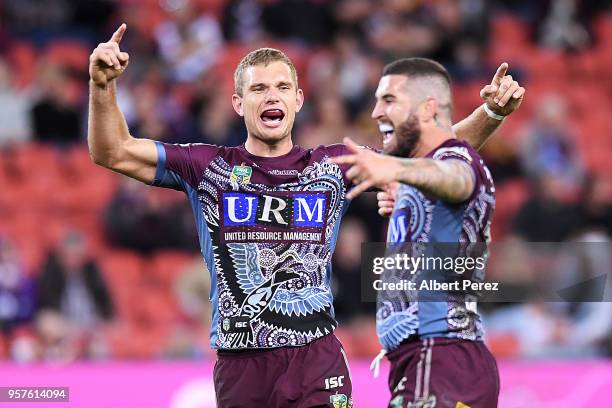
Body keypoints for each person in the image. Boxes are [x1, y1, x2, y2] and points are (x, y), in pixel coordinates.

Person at [88, 24, 520, 407]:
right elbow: (113, 151)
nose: (270, 96)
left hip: (316, 357)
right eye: (258, 89)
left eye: (280, 87)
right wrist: (102, 87)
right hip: (241, 366)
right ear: (238, 103)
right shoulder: (208, 167)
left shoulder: (331, 165)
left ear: (297, 100)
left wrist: (492, 112)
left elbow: (430, 157)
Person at [331, 58, 524, 407]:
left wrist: (398, 169)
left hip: (439, 357)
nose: (376, 112)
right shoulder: (430, 167)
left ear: (427, 108)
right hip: (437, 360)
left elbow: (456, 178)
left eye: (389, 100)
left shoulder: (456, 164)